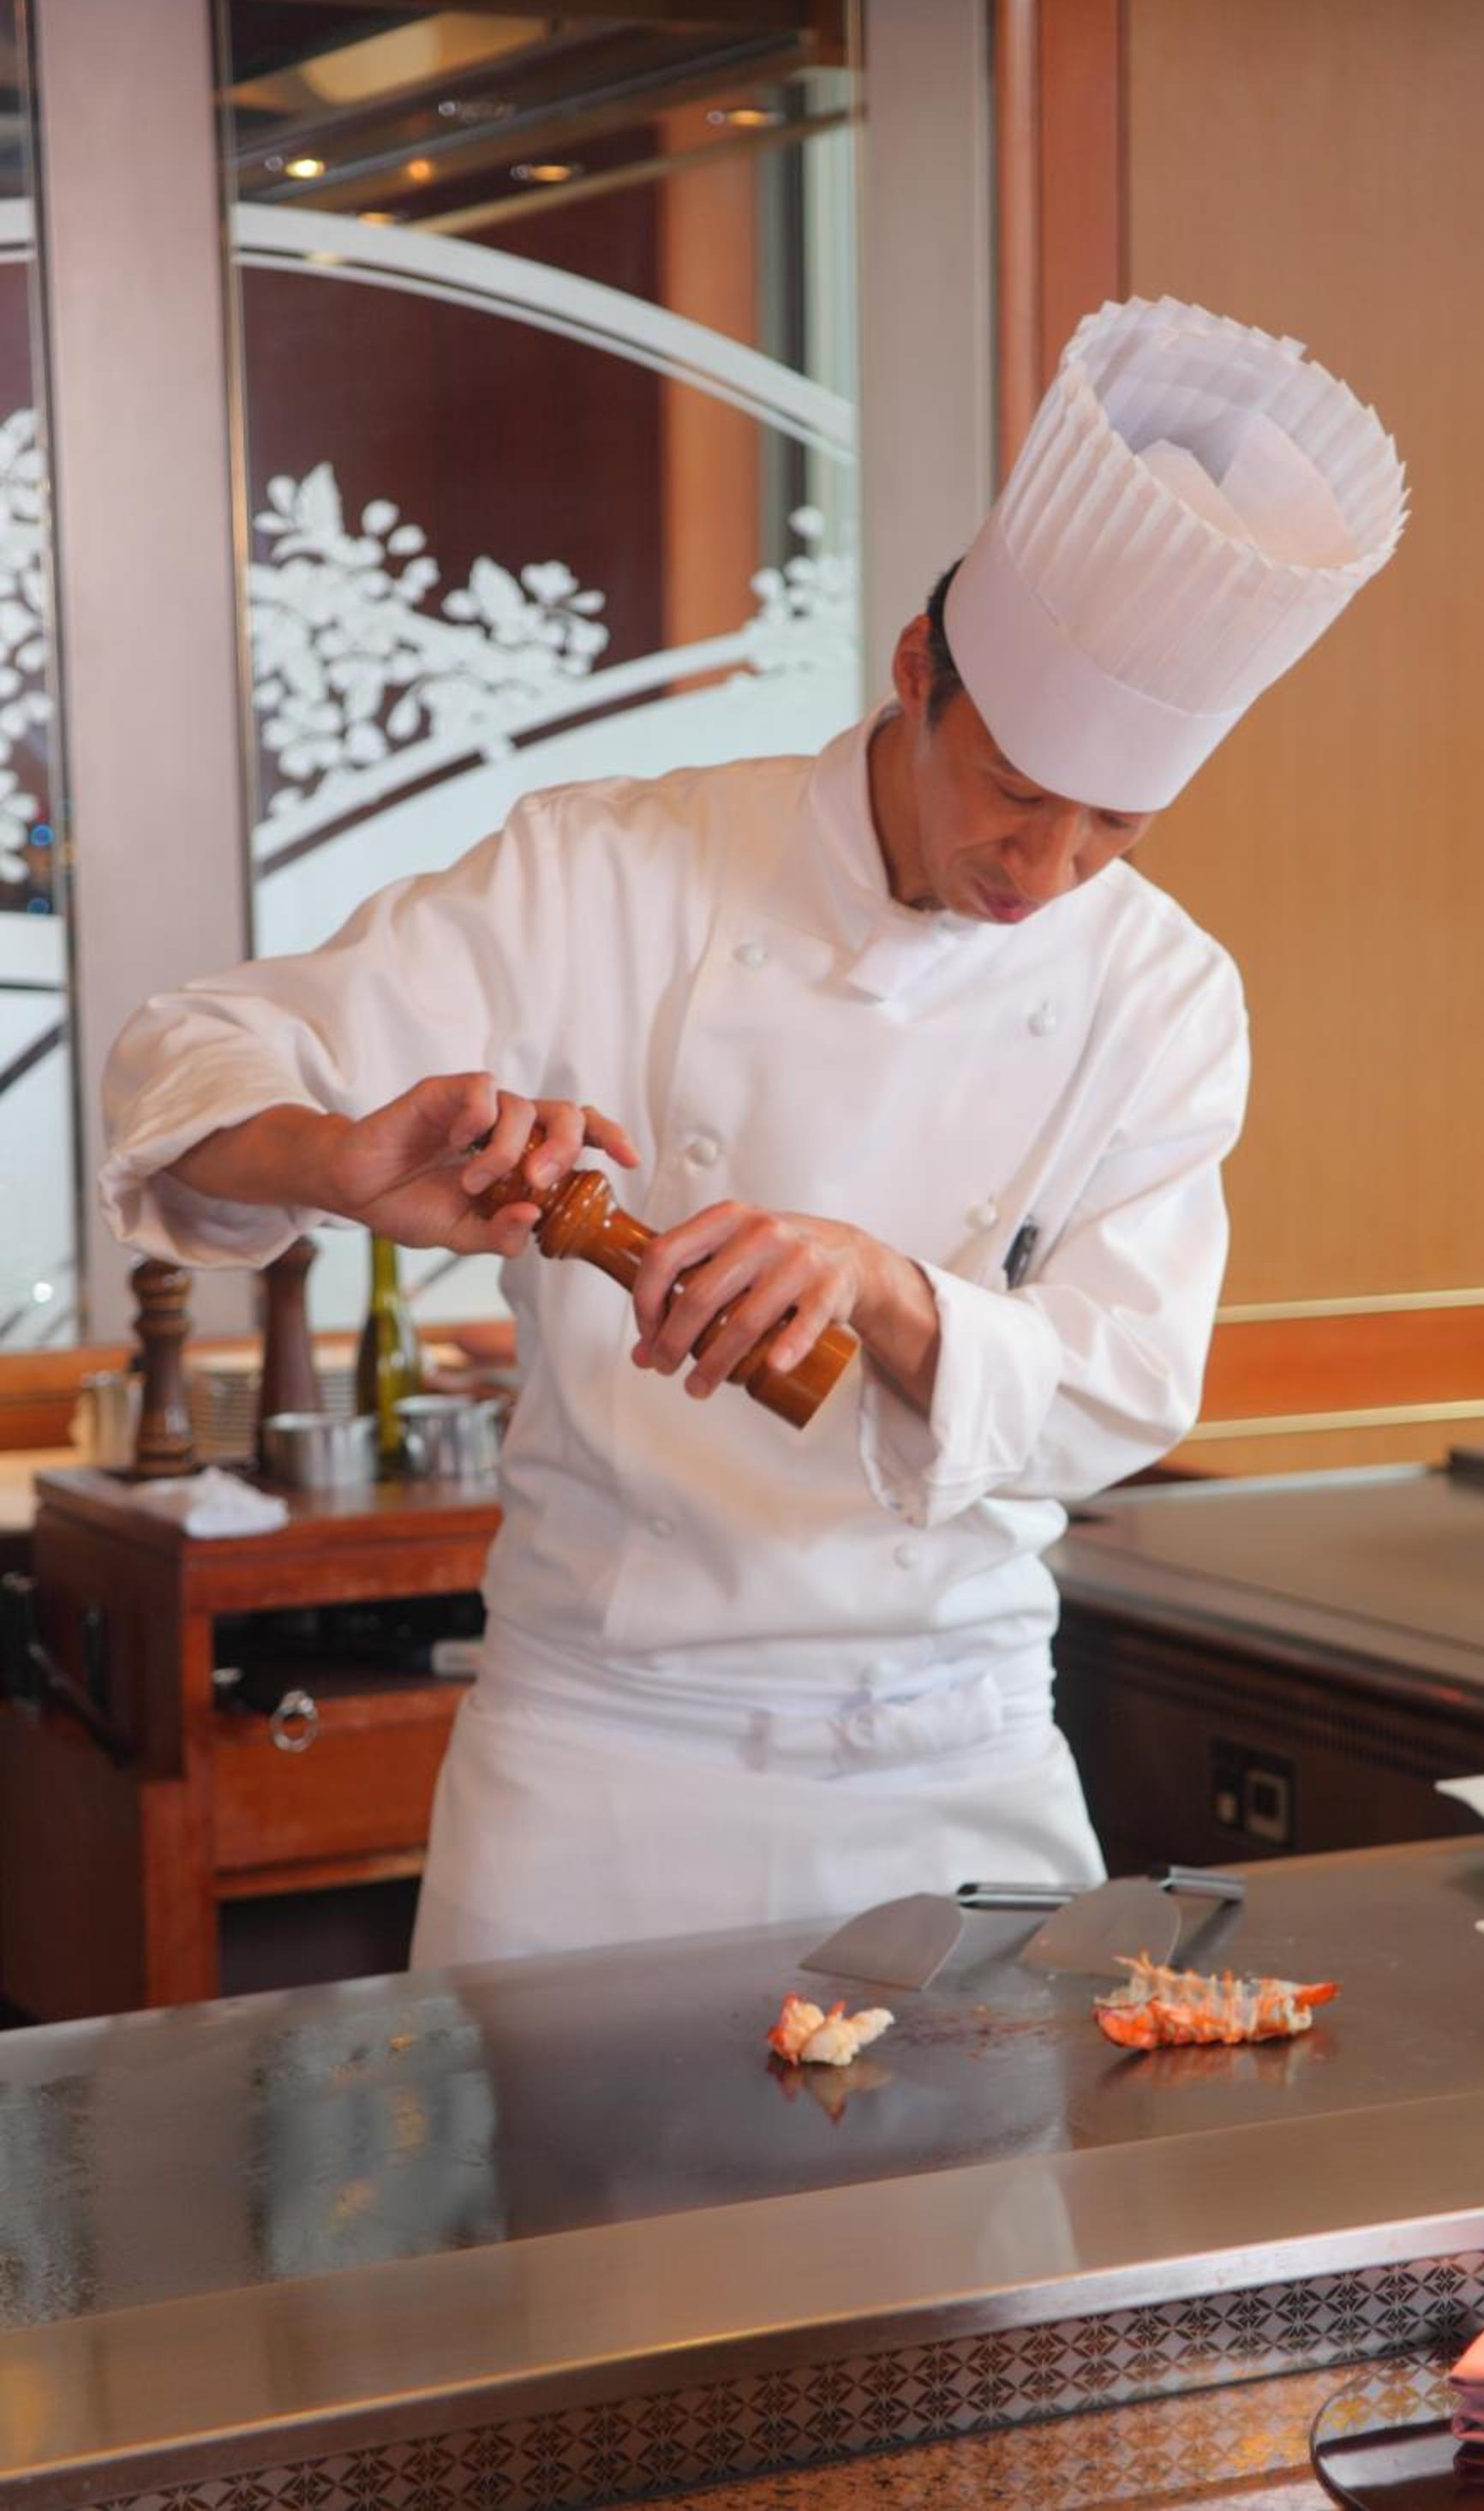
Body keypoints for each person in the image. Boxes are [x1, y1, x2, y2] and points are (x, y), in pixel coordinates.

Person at [101, 297, 1405, 1967]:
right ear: (917, 671)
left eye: (1115, 829)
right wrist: (335, 1162)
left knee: (1008, 2149)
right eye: (1015, 793)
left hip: (955, 1758)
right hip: (601, 1768)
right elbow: (188, 1060)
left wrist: (890, 1291)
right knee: (555, 2158)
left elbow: (1131, 1385)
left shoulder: (1162, 989)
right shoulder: (608, 870)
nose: (1045, 869)